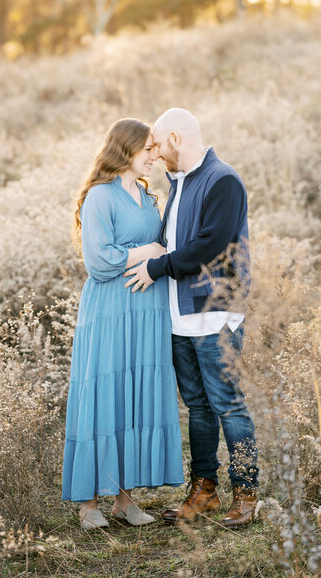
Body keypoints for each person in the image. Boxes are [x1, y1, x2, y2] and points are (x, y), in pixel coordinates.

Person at [124, 108, 259, 528]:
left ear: (177, 139)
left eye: (159, 145)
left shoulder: (223, 180)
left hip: (215, 314)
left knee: (228, 404)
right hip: (180, 316)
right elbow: (173, 242)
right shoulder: (179, 183)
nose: (157, 154)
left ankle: (247, 494)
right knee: (198, 407)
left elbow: (210, 246)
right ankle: (205, 491)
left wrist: (156, 268)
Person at [62, 118, 184, 530]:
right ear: (125, 150)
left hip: (147, 311)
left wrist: (159, 247)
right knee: (105, 395)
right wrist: (145, 250)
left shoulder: (149, 198)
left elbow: (167, 249)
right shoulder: (100, 197)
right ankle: (88, 505)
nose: (154, 156)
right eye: (147, 149)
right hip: (111, 310)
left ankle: (125, 500)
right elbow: (98, 262)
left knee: (134, 396)